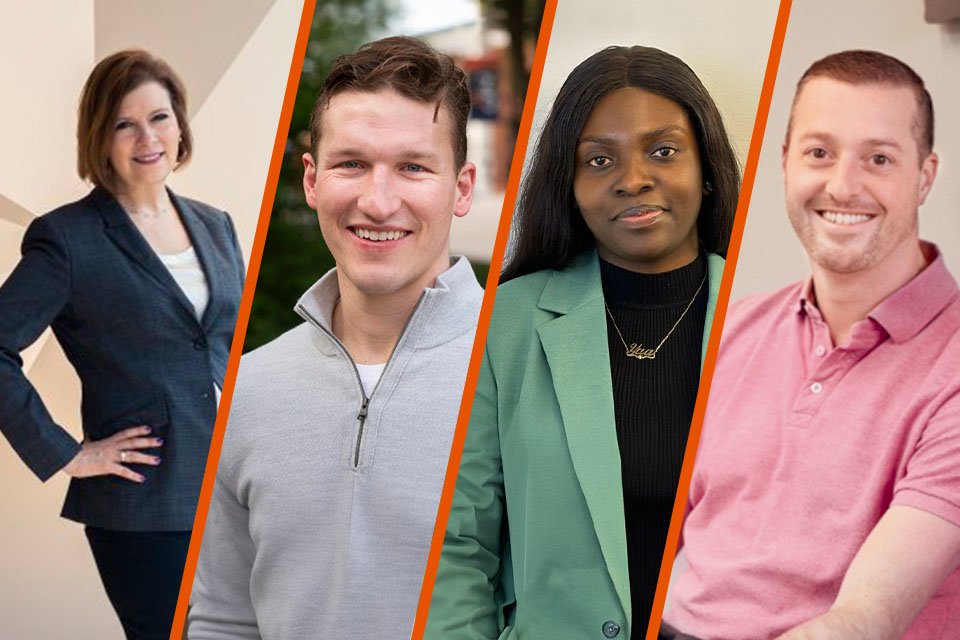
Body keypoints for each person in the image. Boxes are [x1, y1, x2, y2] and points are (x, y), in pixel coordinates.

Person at [425, 46, 740, 639]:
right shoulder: (504, 324)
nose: (633, 179)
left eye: (663, 151)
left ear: (705, 165)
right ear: (568, 184)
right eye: (599, 160)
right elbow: (457, 543)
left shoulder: (767, 314)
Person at [187, 36, 481, 639]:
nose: (378, 201)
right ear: (312, 179)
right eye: (352, 163)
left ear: (463, 187)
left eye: (413, 167)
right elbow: (223, 618)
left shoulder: (526, 373)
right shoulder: (246, 388)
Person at [663, 50, 960, 640]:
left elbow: (863, 621)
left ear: (924, 175)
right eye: (819, 153)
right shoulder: (728, 330)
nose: (842, 185)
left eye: (879, 158)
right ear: (785, 164)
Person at [0, 50, 244, 640]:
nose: (147, 137)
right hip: (147, 506)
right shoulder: (68, 239)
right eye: (123, 124)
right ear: (99, 137)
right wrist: (67, 453)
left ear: (180, 124)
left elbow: (230, 345)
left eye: (159, 117)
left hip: (236, 493)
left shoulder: (216, 224)